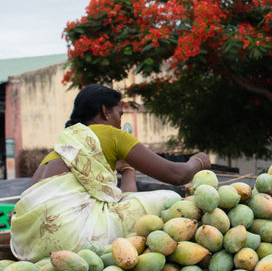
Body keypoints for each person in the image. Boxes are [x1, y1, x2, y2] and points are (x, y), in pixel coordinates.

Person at [10, 84, 211, 261]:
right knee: (169, 197)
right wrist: (199, 160)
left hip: (28, 245)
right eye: (119, 115)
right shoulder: (110, 134)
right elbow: (176, 174)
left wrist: (127, 169)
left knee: (124, 204)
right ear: (105, 111)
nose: (119, 122)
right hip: (70, 239)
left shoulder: (62, 149)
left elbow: (121, 201)